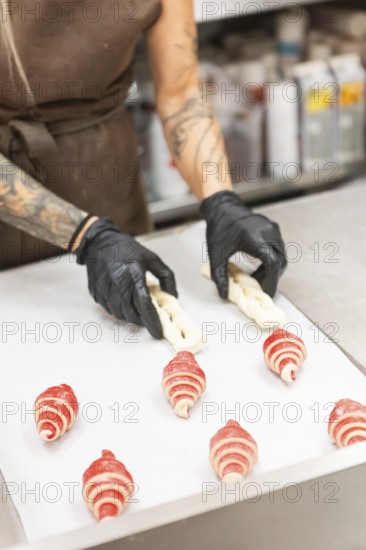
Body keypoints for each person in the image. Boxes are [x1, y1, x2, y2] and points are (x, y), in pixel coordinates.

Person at [0, 0, 287, 339]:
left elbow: (180, 92)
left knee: (132, 342)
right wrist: (86, 236)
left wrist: (221, 199)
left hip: (105, 170)